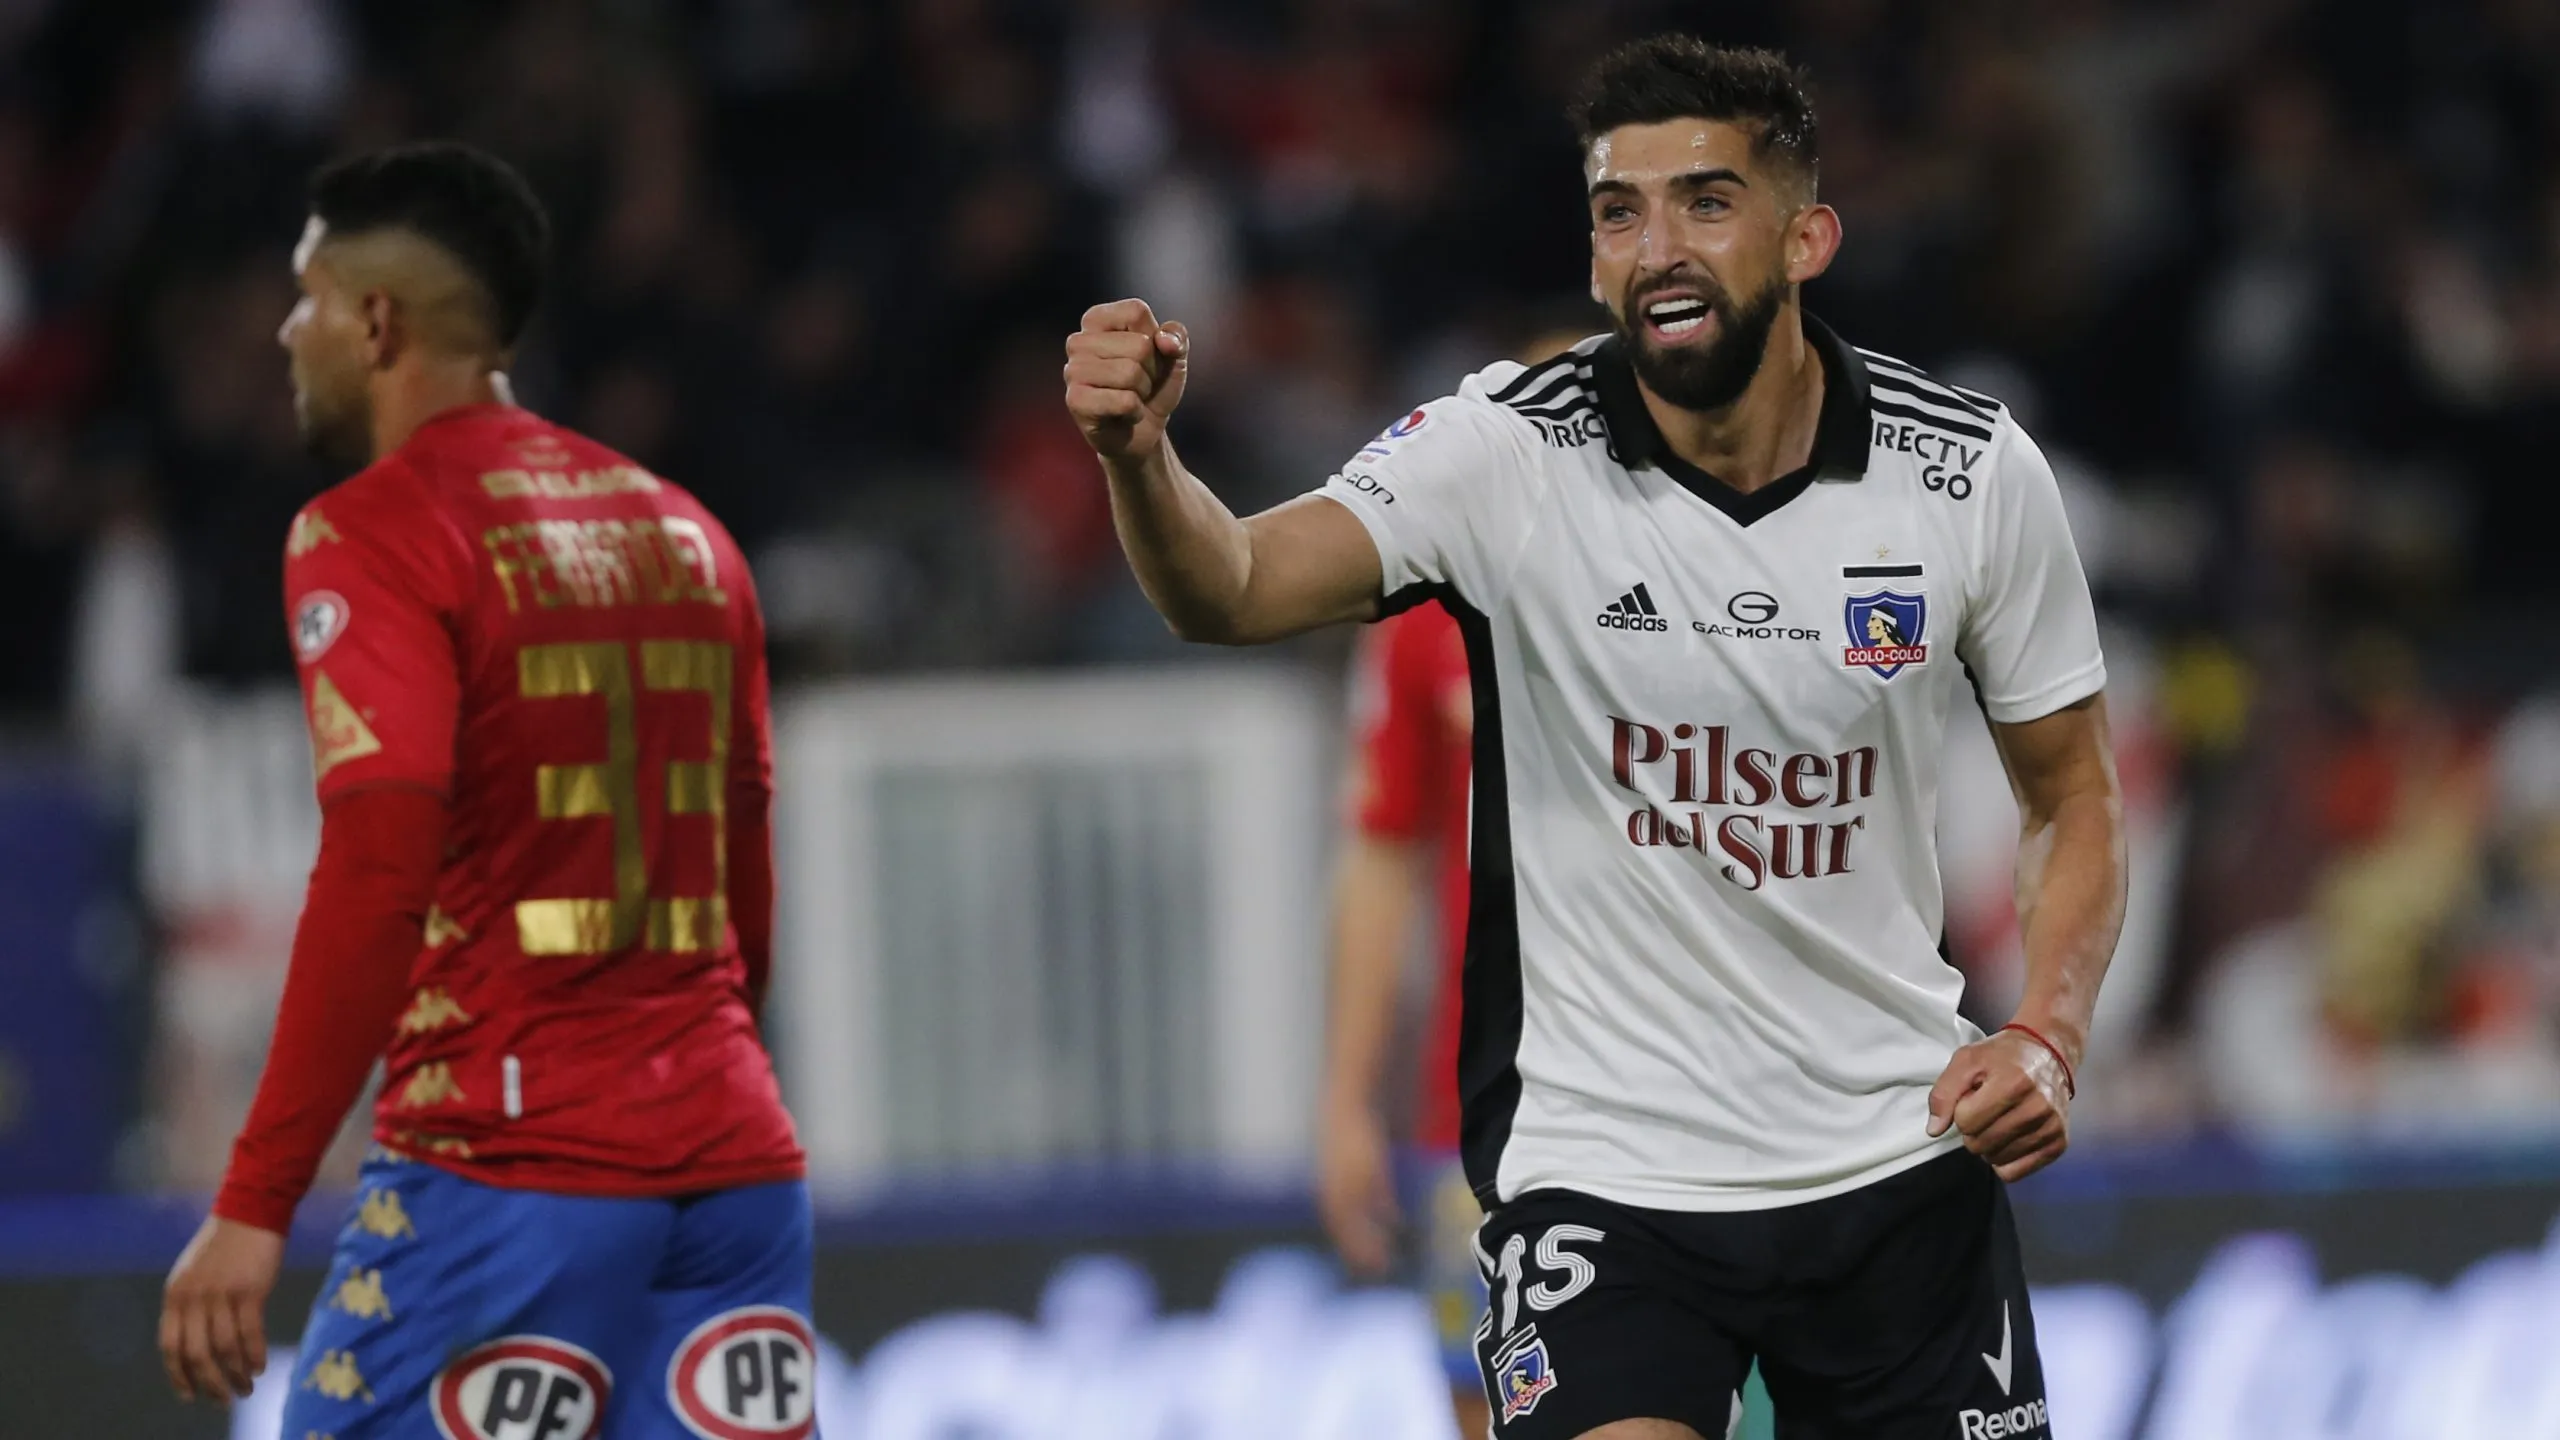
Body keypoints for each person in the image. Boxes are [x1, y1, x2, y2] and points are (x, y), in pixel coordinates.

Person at [1065, 36, 2125, 1440]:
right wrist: (1142, 463)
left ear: (1806, 236)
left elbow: (2073, 800)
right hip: (1606, 1183)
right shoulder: (1506, 454)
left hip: (1895, 1158)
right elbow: (1236, 584)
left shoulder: (1969, 474)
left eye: (1704, 202)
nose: (1656, 246)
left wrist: (2048, 1031)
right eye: (1620, 212)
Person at [158, 143, 815, 1440]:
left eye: (306, 297)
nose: (288, 333)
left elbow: (380, 861)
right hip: (736, 1170)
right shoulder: (689, 531)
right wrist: (683, 1076)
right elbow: (744, 881)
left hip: (508, 1175)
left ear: (378, 320)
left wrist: (254, 1198)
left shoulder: (374, 530)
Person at [1316, 596, 1487, 1436]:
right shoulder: (1429, 591)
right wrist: (1347, 1101)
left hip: (1699, 1094)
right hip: (1485, 1105)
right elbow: (1383, 848)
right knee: (1482, 1400)